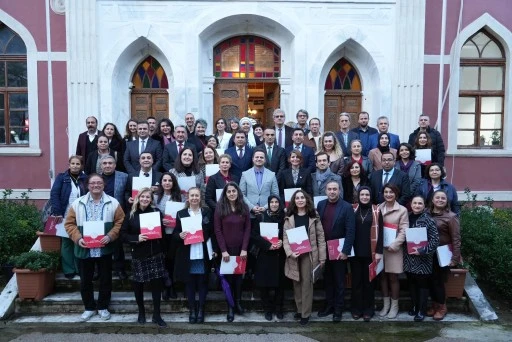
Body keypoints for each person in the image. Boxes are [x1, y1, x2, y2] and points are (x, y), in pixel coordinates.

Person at [64, 174, 125, 322]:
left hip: (105, 248)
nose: (96, 185)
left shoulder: (113, 202)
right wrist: (78, 238)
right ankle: (89, 307)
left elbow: (120, 221)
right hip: (84, 248)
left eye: (99, 183)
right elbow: (69, 224)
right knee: (85, 280)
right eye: (92, 183)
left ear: (103, 185)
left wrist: (110, 236)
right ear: (87, 185)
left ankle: (103, 307)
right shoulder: (78, 203)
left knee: (105, 279)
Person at [120, 188, 167, 327]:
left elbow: (162, 234)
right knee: (138, 286)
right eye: (143, 197)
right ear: (138, 198)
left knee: (157, 286)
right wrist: (136, 238)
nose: (145, 199)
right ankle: (141, 312)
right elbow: (122, 235)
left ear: (151, 200)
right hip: (139, 254)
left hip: (155, 253)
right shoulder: (131, 215)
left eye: (148, 197)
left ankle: (157, 315)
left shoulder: (156, 213)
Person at [283, 190, 326, 325]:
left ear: (307, 200)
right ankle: (300, 309)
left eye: (302, 197)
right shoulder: (289, 216)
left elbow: (321, 236)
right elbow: (285, 238)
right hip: (295, 255)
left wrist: (322, 257)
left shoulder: (313, 216)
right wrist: (290, 252)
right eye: (297, 198)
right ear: (294, 201)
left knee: (307, 284)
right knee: (296, 282)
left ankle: (306, 314)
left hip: (309, 255)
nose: (300, 200)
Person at [174, 187, 215, 324]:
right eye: (192, 195)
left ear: (200, 197)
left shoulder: (207, 212)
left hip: (202, 252)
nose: (194, 198)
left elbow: (212, 233)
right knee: (190, 284)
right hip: (188, 254)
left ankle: (201, 310)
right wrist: (179, 235)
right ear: (188, 197)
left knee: (203, 283)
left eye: (197, 195)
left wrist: (214, 249)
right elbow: (175, 233)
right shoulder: (181, 213)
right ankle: (192, 310)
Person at [317, 181, 355, 322]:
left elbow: (351, 230)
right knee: (327, 280)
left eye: (335, 189)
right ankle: (329, 306)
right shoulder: (321, 205)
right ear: (325, 191)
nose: (332, 191)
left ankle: (338, 309)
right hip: (324, 249)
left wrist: (345, 251)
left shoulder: (346, 207)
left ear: (339, 191)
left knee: (339, 281)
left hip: (339, 250)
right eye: (329, 189)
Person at [214, 182, 251, 322]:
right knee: (228, 280)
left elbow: (247, 229)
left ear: (238, 192)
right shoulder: (220, 208)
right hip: (227, 251)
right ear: (225, 193)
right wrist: (223, 251)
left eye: (233, 191)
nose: (231, 193)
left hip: (241, 250)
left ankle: (238, 303)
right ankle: (230, 307)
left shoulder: (244, 208)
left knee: (239, 279)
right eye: (229, 191)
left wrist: (244, 249)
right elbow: (217, 230)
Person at [50, 155, 88, 279]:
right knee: (66, 242)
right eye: (73, 163)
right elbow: (54, 194)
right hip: (65, 214)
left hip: (81, 215)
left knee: (79, 240)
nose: (75, 166)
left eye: (78, 164)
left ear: (81, 166)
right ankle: (68, 269)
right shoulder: (62, 178)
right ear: (69, 165)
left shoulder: (85, 178)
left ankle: (79, 268)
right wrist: (57, 212)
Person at [376, 183, 409, 319]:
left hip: (393, 249)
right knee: (382, 276)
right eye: (386, 192)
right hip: (380, 249)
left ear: (396, 194)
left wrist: (395, 244)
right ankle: (386, 305)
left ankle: (395, 307)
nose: (388, 194)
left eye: (391, 192)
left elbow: (404, 230)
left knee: (393, 277)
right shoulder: (378, 208)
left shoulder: (402, 210)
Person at [404, 195, 439, 322]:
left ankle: (421, 310)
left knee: (422, 285)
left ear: (424, 206)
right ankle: (414, 305)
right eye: (415, 203)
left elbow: (435, 240)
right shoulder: (406, 216)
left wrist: (423, 251)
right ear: (411, 204)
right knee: (411, 283)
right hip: (408, 257)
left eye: (420, 203)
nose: (417, 205)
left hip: (423, 259)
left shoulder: (428, 220)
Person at [427, 190, 461, 321]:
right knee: (430, 280)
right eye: (437, 197)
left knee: (438, 282)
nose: (440, 200)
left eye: (443, 198)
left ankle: (442, 307)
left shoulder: (451, 217)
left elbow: (456, 238)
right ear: (432, 200)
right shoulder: (426, 213)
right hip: (428, 253)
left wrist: (455, 258)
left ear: (447, 201)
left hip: (443, 253)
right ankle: (435, 305)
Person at [252, 195, 287, 321]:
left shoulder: (285, 218)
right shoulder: (260, 217)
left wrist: (282, 242)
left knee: (280, 285)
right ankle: (267, 309)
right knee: (264, 284)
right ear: (268, 204)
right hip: (265, 254)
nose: (273, 204)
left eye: (276, 202)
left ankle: (279, 308)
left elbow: (287, 233)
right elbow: (254, 235)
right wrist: (267, 245)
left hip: (279, 255)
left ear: (280, 203)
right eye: (271, 202)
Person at [350, 187, 382, 322]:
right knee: (356, 282)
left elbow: (381, 233)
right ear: (358, 196)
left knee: (369, 283)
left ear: (370, 196)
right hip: (355, 253)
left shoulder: (377, 210)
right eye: (362, 194)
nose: (364, 197)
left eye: (367, 194)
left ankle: (368, 310)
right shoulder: (352, 209)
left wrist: (379, 251)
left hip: (371, 253)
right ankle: (356, 309)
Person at [154, 172, 183, 300]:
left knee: (172, 261)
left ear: (173, 182)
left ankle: (172, 286)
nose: (167, 183)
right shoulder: (155, 197)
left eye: (170, 180)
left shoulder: (180, 197)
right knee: (163, 260)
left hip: (175, 234)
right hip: (161, 234)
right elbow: (150, 216)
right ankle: (166, 286)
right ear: (161, 182)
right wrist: (160, 221)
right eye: (164, 180)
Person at [99, 155, 129, 279]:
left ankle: (119, 268)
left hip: (118, 213)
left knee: (117, 242)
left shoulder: (124, 176)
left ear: (115, 165)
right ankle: (99, 270)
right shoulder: (96, 178)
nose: (107, 165)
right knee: (100, 241)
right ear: (101, 166)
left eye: (110, 163)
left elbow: (127, 194)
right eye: (105, 163)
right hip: (100, 214)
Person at [239, 150, 279, 218]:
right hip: (250, 214)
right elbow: (241, 194)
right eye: (257, 157)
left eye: (261, 157)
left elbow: (275, 194)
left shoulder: (271, 175)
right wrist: (252, 207)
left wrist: (265, 207)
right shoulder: (245, 174)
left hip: (267, 213)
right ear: (253, 159)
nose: (259, 159)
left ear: (265, 160)